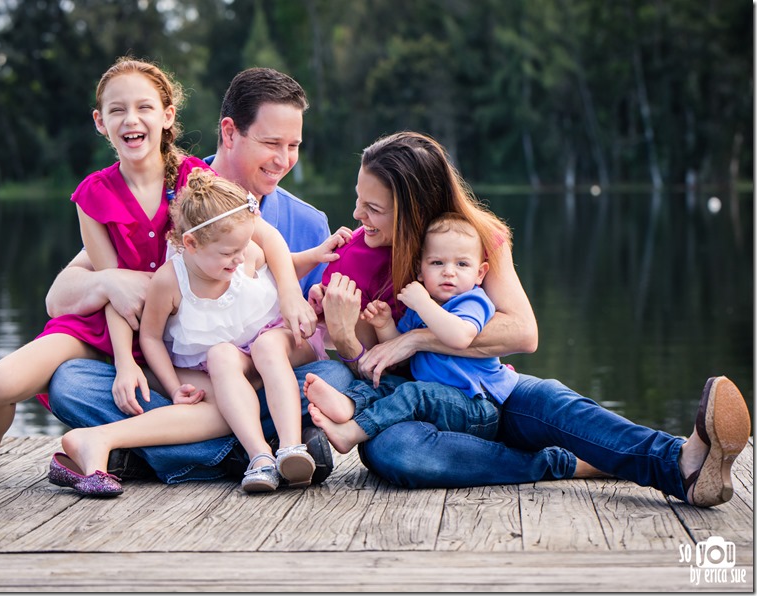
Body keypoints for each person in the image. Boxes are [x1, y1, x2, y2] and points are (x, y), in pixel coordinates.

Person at [314, 130, 751, 507]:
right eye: (358, 200)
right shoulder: (358, 262)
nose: (357, 216)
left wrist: (416, 339)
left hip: (486, 389)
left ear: (413, 208)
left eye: (373, 207)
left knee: (550, 401)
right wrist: (343, 335)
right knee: (394, 452)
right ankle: (567, 462)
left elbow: (523, 332)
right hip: (421, 410)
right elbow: (371, 371)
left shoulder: (476, 240)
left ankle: (683, 464)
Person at [43, 67, 353, 485]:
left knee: (331, 377)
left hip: (263, 375)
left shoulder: (309, 224)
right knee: (70, 382)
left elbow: (319, 342)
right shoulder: (176, 196)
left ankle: (148, 455)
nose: (283, 159)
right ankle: (251, 450)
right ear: (229, 132)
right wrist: (109, 281)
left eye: (293, 145)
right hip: (180, 381)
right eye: (270, 143)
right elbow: (61, 296)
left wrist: (335, 319)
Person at [0, 57, 207, 476]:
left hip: (172, 329)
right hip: (106, 325)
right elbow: (111, 285)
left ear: (167, 116)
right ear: (100, 122)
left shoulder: (194, 180)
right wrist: (123, 363)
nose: (130, 119)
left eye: (144, 107)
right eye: (117, 110)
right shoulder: (93, 195)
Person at [307, 213, 514, 454]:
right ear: (420, 270)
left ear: (480, 273)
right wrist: (384, 325)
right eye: (437, 263)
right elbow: (400, 354)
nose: (449, 272)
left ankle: (352, 432)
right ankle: (350, 404)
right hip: (436, 399)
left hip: (476, 406)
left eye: (462, 264)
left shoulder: (473, 301)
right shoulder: (418, 310)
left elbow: (460, 337)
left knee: (413, 392)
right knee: (389, 383)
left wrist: (423, 303)